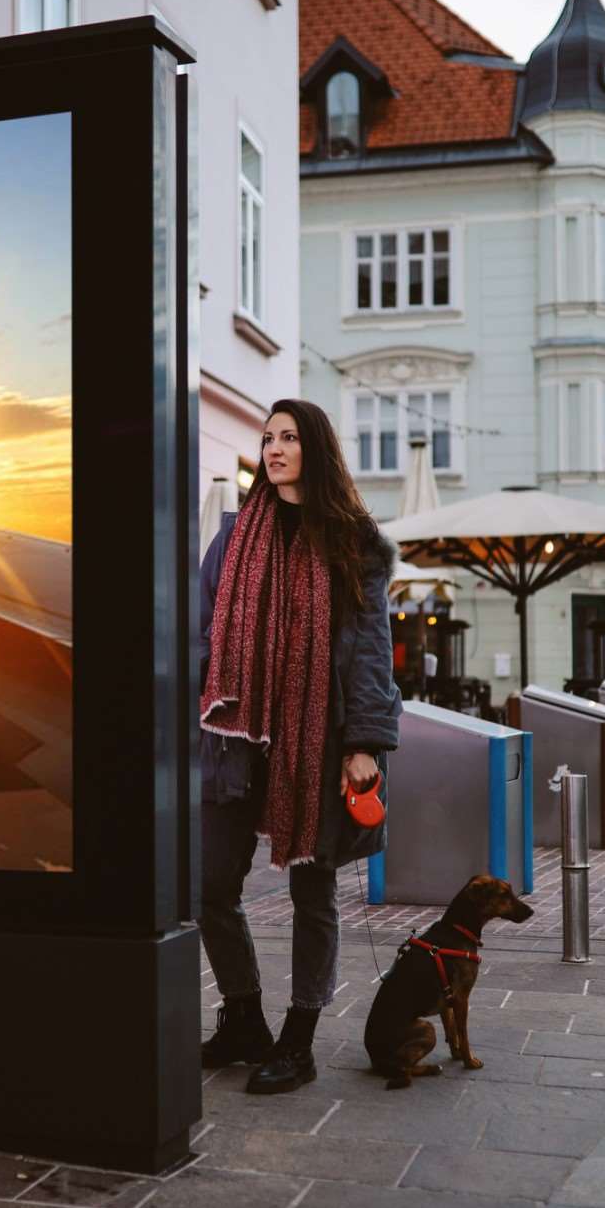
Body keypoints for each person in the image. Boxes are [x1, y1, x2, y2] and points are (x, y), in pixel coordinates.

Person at [196, 398, 402, 1095]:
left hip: (318, 737)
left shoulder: (352, 541)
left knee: (313, 891)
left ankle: (300, 1036)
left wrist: (365, 742)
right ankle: (244, 1016)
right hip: (236, 737)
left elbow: (370, 650)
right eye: (267, 438)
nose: (275, 448)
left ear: (314, 447)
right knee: (210, 884)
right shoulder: (233, 537)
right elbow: (202, 632)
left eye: (288, 437)